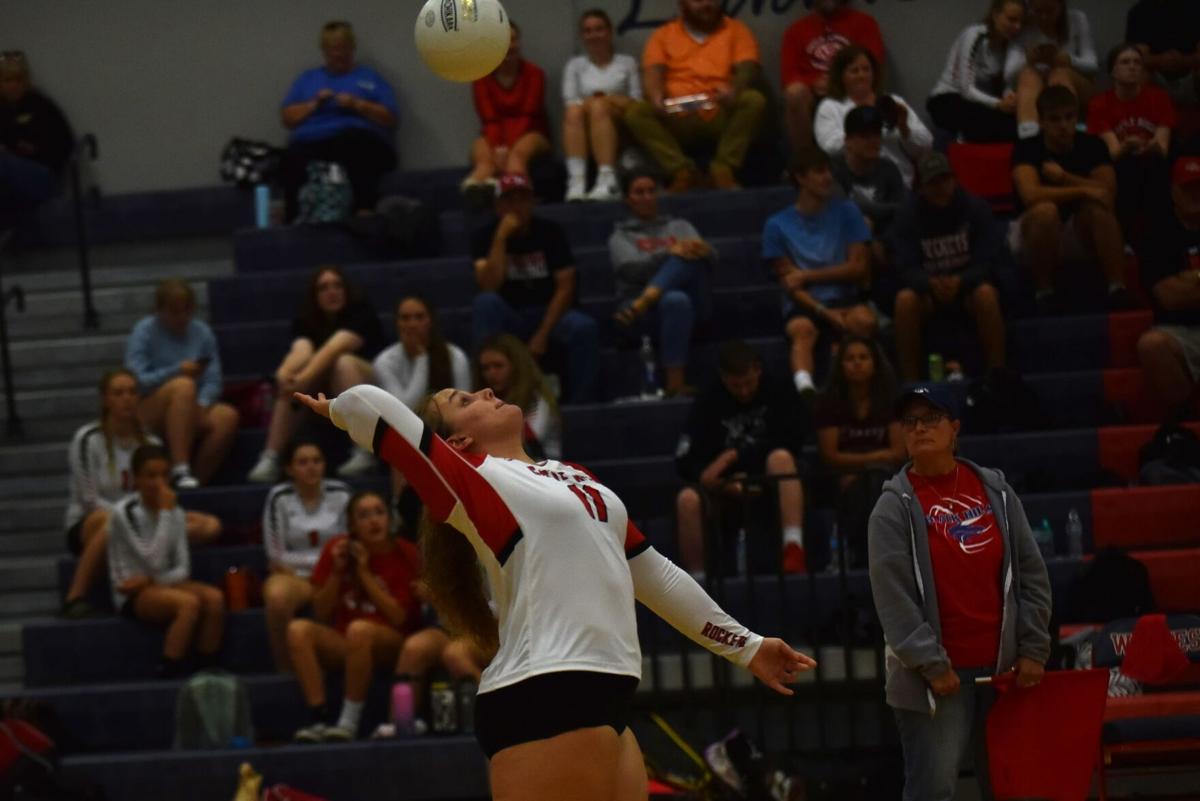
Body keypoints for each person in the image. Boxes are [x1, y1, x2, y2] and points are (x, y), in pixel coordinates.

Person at [292, 380, 812, 798]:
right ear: (457, 443)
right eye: (464, 400)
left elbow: (655, 576)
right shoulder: (473, 480)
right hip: (540, 693)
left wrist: (746, 647)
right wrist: (337, 408)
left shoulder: (574, 476)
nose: (486, 393)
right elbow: (373, 407)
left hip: (607, 693)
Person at [868, 386, 1052, 801]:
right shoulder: (892, 508)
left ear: (954, 428)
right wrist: (931, 664)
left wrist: (1034, 648)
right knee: (933, 789)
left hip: (1004, 671)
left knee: (1011, 785)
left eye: (931, 418)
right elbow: (892, 599)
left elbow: (1032, 573)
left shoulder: (997, 492)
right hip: (934, 679)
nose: (919, 429)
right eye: (910, 422)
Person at [61, 369, 221, 619]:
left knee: (208, 525)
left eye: (132, 392)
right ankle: (75, 596)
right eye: (118, 393)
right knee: (109, 521)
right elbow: (89, 500)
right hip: (90, 522)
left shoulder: (151, 443)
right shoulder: (87, 439)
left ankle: (152, 580)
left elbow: (160, 493)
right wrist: (128, 517)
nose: (126, 398)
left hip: (143, 521)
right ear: (105, 399)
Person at [288, 490, 422, 742]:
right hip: (346, 641)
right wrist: (338, 573)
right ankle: (318, 718)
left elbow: (400, 618)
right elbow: (321, 612)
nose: (374, 521)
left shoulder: (405, 553)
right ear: (351, 525)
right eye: (364, 515)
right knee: (298, 630)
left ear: (389, 518)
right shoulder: (336, 550)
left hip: (392, 643)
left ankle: (348, 722)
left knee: (360, 630)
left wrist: (364, 574)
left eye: (379, 513)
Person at [675, 341, 810, 576]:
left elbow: (792, 438)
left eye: (748, 383)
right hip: (723, 484)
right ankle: (697, 581)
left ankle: (793, 547)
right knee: (687, 499)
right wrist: (715, 478)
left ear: (757, 369)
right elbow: (685, 459)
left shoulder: (778, 388)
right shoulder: (708, 400)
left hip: (769, 478)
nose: (744, 392)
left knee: (781, 458)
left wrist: (733, 457)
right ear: (723, 378)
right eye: (736, 386)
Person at [248, 265, 385, 483]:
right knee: (296, 375)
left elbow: (334, 348)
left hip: (373, 390)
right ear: (315, 296)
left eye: (337, 285)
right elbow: (301, 351)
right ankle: (271, 456)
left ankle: (364, 450)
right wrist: (284, 376)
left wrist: (301, 380)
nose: (332, 291)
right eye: (324, 288)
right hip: (329, 394)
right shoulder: (306, 321)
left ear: (346, 290)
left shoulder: (361, 313)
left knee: (343, 363)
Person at [471, 173, 599, 403]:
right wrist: (500, 238)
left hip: (550, 314)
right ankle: (486, 401)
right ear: (498, 205)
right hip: (510, 316)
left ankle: (583, 406)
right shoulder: (484, 236)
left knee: (583, 328)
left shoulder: (551, 232)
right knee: (485, 303)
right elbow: (488, 285)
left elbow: (565, 289)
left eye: (522, 199)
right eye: (509, 200)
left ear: (532, 202)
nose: (516, 207)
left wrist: (542, 335)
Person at [108, 445, 226, 678]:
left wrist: (152, 580)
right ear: (137, 479)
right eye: (151, 476)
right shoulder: (125, 512)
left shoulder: (175, 512)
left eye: (164, 475)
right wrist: (164, 513)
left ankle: (206, 667)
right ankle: (169, 667)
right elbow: (152, 559)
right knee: (188, 604)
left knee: (215, 599)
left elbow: (183, 568)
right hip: (130, 592)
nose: (159, 484)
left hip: (156, 582)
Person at [764, 147, 874, 397]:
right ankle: (806, 390)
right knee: (802, 329)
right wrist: (823, 311)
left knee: (864, 321)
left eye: (828, 171)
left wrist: (806, 275)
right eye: (819, 171)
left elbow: (858, 267)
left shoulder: (848, 212)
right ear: (800, 178)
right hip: (805, 304)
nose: (827, 178)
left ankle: (862, 390)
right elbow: (789, 285)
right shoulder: (776, 225)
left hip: (845, 298)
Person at [623, 0, 766, 192]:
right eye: (698, 0)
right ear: (683, 4)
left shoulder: (737, 30)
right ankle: (682, 171)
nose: (707, 4)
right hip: (677, 109)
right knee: (636, 112)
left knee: (753, 100)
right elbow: (653, 70)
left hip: (718, 107)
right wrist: (655, 95)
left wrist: (735, 90)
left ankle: (723, 169)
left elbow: (748, 68)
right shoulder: (664, 35)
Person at [892, 152, 1008, 382]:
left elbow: (990, 260)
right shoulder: (907, 216)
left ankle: (998, 377)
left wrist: (961, 281)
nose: (940, 187)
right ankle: (911, 385)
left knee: (986, 294)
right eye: (933, 182)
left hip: (968, 288)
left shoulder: (976, 209)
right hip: (928, 293)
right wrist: (929, 283)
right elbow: (904, 266)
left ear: (954, 179)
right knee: (904, 301)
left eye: (945, 179)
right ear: (921, 187)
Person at [1011, 85, 1129, 312]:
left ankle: (1118, 289)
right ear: (1041, 121)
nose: (1063, 126)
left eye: (1069, 117)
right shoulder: (1026, 148)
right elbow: (1030, 195)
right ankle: (1044, 293)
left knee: (1100, 211)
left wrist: (1065, 177)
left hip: (1078, 230)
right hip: (1032, 232)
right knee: (1046, 212)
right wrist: (1084, 190)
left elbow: (1107, 192)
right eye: (1054, 119)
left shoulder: (1093, 145)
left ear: (1077, 118)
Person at [279, 21, 399, 222]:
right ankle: (294, 217)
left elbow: (390, 118)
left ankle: (363, 209)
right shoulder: (308, 80)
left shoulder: (370, 78)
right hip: (314, 142)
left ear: (352, 48)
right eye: (332, 50)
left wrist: (357, 105)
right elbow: (288, 118)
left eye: (342, 49)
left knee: (350, 143)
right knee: (294, 156)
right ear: (324, 52)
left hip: (355, 139)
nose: (337, 55)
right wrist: (313, 104)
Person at [608, 169, 714, 396]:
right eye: (639, 192)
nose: (646, 196)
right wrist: (669, 253)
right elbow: (630, 270)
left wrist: (699, 250)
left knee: (688, 258)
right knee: (676, 297)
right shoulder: (620, 236)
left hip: (692, 304)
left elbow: (708, 256)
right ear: (628, 198)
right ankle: (676, 383)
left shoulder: (680, 226)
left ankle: (647, 299)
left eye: (650, 191)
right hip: (646, 311)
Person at [125, 279, 238, 489]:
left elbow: (213, 379)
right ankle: (180, 467)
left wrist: (203, 406)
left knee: (227, 416)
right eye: (174, 312)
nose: (182, 318)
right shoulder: (144, 331)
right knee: (184, 386)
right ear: (159, 310)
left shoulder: (202, 332)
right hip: (149, 406)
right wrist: (176, 371)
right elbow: (136, 381)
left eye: (187, 311)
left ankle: (195, 482)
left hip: (190, 407)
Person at [261, 439, 352, 671]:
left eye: (316, 461)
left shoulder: (341, 493)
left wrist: (324, 565)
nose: (311, 467)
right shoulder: (278, 497)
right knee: (277, 596)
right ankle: (285, 668)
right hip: (297, 578)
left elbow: (348, 545)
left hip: (336, 574)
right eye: (302, 462)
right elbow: (276, 554)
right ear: (289, 469)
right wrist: (323, 560)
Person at [815, 336, 903, 568]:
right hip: (841, 481)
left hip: (884, 478)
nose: (857, 363)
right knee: (865, 486)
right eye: (850, 358)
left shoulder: (891, 399)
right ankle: (864, 555)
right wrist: (875, 459)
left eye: (863, 357)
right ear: (840, 365)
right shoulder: (829, 402)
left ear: (875, 363)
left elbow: (898, 452)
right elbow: (830, 456)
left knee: (876, 483)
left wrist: (861, 466)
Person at [1087, 43, 1175, 242]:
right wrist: (1128, 145)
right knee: (1123, 169)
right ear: (1113, 71)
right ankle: (1123, 238)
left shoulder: (1159, 98)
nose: (1132, 67)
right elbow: (1113, 152)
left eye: (1137, 62)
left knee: (1156, 167)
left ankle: (1162, 239)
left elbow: (1162, 147)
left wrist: (1149, 146)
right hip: (1120, 164)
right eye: (1125, 62)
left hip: (1153, 163)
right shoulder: (1100, 104)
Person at [1136, 156, 1200, 420]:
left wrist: (1190, 278)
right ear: (1174, 191)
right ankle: (1187, 425)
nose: (1196, 195)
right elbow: (1168, 296)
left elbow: (1179, 289)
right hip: (1176, 330)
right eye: (1189, 189)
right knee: (1152, 345)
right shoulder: (1158, 234)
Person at [814, 45, 932, 188]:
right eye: (854, 71)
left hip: (900, 182)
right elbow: (830, 147)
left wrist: (904, 129)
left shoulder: (893, 102)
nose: (861, 75)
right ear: (841, 76)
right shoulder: (830, 107)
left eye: (866, 69)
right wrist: (870, 133)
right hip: (854, 185)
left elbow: (926, 145)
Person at [462, 22, 551, 206]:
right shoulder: (481, 77)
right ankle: (478, 195)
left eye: (513, 40)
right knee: (483, 157)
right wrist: (497, 148)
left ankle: (518, 201)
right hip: (494, 133)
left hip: (532, 132)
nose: (509, 46)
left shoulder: (535, 74)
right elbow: (489, 119)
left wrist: (505, 149)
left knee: (516, 156)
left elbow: (528, 115)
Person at [779, 0, 884, 154]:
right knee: (794, 94)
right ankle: (806, 163)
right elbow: (788, 77)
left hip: (852, 90)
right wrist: (814, 83)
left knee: (862, 81)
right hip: (813, 95)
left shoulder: (864, 23)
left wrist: (837, 81)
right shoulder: (795, 31)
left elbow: (873, 64)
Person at [562, 9, 643, 202]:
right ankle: (577, 181)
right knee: (574, 112)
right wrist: (601, 101)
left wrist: (604, 102)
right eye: (588, 31)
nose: (594, 35)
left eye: (599, 29)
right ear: (582, 36)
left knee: (599, 107)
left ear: (609, 31)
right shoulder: (575, 65)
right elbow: (571, 100)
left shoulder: (627, 62)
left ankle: (608, 180)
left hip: (622, 124)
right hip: (586, 125)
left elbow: (637, 102)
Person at [927, 0, 1026, 144]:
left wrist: (1009, 99)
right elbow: (966, 89)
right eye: (1011, 20)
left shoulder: (1009, 47)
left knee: (1014, 125)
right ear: (995, 15)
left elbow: (1005, 84)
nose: (1017, 27)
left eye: (1021, 22)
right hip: (948, 97)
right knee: (984, 120)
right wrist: (998, 104)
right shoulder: (975, 35)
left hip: (981, 102)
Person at [0, 51, 73, 228]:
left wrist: (30, 149)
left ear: (26, 81)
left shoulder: (41, 107)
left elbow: (64, 144)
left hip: (42, 175)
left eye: (18, 80)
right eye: (7, 80)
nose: (13, 86)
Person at [829, 106, 906, 262]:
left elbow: (903, 211)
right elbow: (842, 211)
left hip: (885, 245)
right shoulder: (834, 170)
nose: (873, 141)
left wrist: (881, 240)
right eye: (865, 136)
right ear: (847, 141)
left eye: (876, 134)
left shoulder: (889, 168)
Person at [1013, 0, 1097, 140]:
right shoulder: (1025, 22)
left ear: (1061, 6)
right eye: (1038, 11)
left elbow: (1092, 65)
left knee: (1059, 74)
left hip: (1075, 84)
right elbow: (1008, 73)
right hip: (1036, 86)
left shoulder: (1077, 19)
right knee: (1029, 75)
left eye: (1050, 11)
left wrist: (1069, 61)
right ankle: (1029, 142)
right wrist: (1028, 60)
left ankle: (1067, 140)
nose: (1044, 17)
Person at [374, 295, 471, 412]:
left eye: (419, 317)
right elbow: (404, 410)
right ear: (397, 323)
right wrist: (421, 358)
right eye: (405, 318)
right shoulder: (385, 361)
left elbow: (464, 407)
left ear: (430, 321)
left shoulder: (455, 356)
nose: (412, 324)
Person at [476, 334, 562, 461]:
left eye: (498, 366)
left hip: (544, 468)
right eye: (486, 368)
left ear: (516, 366)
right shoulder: (485, 401)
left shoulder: (538, 399)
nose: (491, 373)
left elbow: (530, 442)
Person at [1125, 0, 1200, 107]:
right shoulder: (1139, 12)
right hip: (1156, 75)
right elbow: (1138, 57)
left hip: (1190, 74)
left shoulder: (1196, 8)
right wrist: (1162, 60)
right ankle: (1140, 119)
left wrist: (1184, 60)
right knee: (1138, 72)